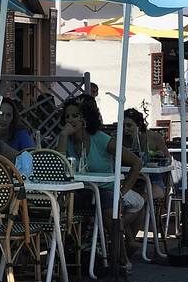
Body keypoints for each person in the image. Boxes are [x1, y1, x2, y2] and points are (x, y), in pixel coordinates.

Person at [55, 94, 144, 260]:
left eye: (75, 115)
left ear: (85, 119)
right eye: (67, 116)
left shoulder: (101, 139)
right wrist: (62, 136)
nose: (70, 120)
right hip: (78, 191)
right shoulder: (65, 140)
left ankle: (121, 262)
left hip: (104, 190)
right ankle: (66, 260)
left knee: (111, 215)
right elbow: (58, 167)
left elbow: (136, 163)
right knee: (57, 209)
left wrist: (122, 193)